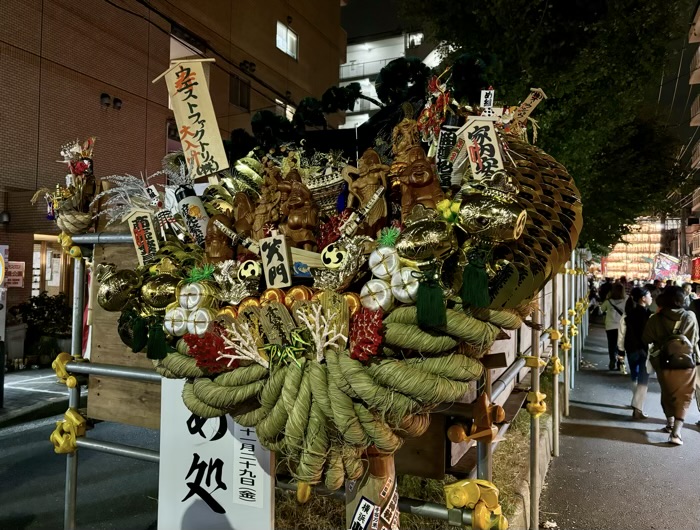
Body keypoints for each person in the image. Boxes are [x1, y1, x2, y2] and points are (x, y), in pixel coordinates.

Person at [642, 286, 699, 445]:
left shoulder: (655, 318)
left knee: (667, 392)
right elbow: (694, 341)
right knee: (685, 396)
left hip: (663, 362)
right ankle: (676, 433)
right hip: (686, 363)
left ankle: (670, 423)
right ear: (681, 300)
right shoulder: (689, 317)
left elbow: (646, 338)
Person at [617, 287, 652, 418]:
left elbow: (621, 334)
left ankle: (635, 402)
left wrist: (620, 350)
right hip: (645, 350)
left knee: (634, 376)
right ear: (643, 298)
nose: (651, 298)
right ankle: (638, 408)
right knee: (644, 379)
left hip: (631, 349)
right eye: (649, 295)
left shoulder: (627, 314)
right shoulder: (650, 315)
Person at [600, 283, 627, 371]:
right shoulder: (626, 300)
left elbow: (601, 310)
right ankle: (621, 362)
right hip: (622, 326)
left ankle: (612, 360)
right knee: (621, 346)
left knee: (611, 345)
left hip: (610, 326)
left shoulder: (609, 301)